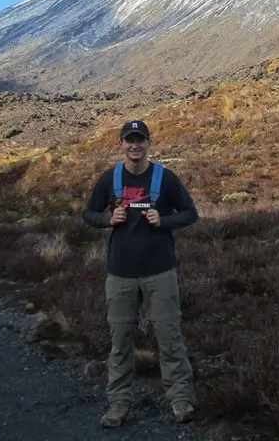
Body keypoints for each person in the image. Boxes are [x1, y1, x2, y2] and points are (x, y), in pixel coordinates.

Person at [83, 119, 199, 429]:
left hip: (159, 272)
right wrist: (109, 218)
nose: (135, 145)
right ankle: (119, 403)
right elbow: (88, 214)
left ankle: (180, 399)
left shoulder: (165, 178)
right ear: (120, 143)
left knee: (169, 336)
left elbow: (190, 213)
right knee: (120, 340)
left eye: (141, 139)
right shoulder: (110, 179)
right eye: (129, 140)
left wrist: (165, 220)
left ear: (149, 143)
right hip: (120, 274)